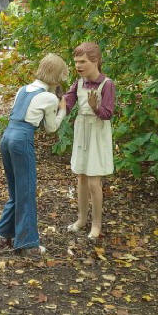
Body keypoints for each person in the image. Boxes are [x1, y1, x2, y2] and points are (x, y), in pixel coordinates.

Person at [0, 53, 69, 255]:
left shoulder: (22, 89)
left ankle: (1, 234)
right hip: (21, 140)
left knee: (16, 189)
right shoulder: (49, 97)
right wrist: (62, 111)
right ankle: (27, 244)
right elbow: (50, 128)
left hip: (6, 137)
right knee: (26, 191)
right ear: (56, 75)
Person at [63, 42, 115, 240]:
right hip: (82, 130)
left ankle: (96, 224)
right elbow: (67, 104)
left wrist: (95, 108)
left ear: (95, 61)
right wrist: (56, 100)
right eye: (76, 62)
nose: (78, 65)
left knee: (94, 181)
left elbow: (108, 114)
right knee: (81, 178)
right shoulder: (79, 82)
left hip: (97, 132)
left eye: (82, 61)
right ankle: (81, 219)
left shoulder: (106, 84)